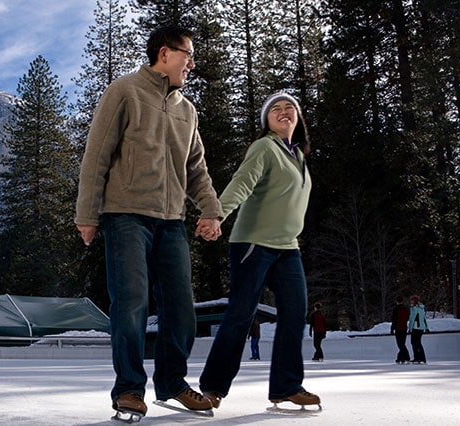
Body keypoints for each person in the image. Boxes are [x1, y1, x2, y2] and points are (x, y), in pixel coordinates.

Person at [75, 25, 223, 418]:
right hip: (125, 217)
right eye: (187, 54)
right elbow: (97, 155)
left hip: (171, 221)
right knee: (132, 302)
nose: (191, 63)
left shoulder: (186, 111)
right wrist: (87, 214)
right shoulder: (124, 91)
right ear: (164, 53)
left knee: (181, 307)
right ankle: (128, 389)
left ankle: (173, 383)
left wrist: (211, 209)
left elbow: (196, 169)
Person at [199, 91, 320, 410]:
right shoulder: (264, 147)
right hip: (254, 243)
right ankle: (213, 387)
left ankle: (286, 385)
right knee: (241, 314)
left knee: (295, 313)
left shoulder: (299, 156)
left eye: (289, 107)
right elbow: (242, 182)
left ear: (298, 118)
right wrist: (216, 214)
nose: (283, 111)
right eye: (275, 109)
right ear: (266, 120)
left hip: (287, 247)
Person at [408, 295, 429, 364]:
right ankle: (422, 358)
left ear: (414, 301)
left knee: (414, 342)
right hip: (421, 327)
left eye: (412, 300)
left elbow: (412, 319)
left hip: (416, 327)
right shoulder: (421, 308)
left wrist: (410, 328)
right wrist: (426, 327)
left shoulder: (414, 308)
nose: (410, 301)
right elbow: (424, 318)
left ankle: (417, 358)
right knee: (418, 343)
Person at [390, 296, 411, 364]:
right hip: (404, 328)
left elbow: (394, 320)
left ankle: (406, 357)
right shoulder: (406, 309)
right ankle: (400, 358)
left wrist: (392, 329)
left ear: (397, 301)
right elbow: (408, 317)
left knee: (400, 344)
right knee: (402, 344)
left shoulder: (396, 309)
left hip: (398, 328)